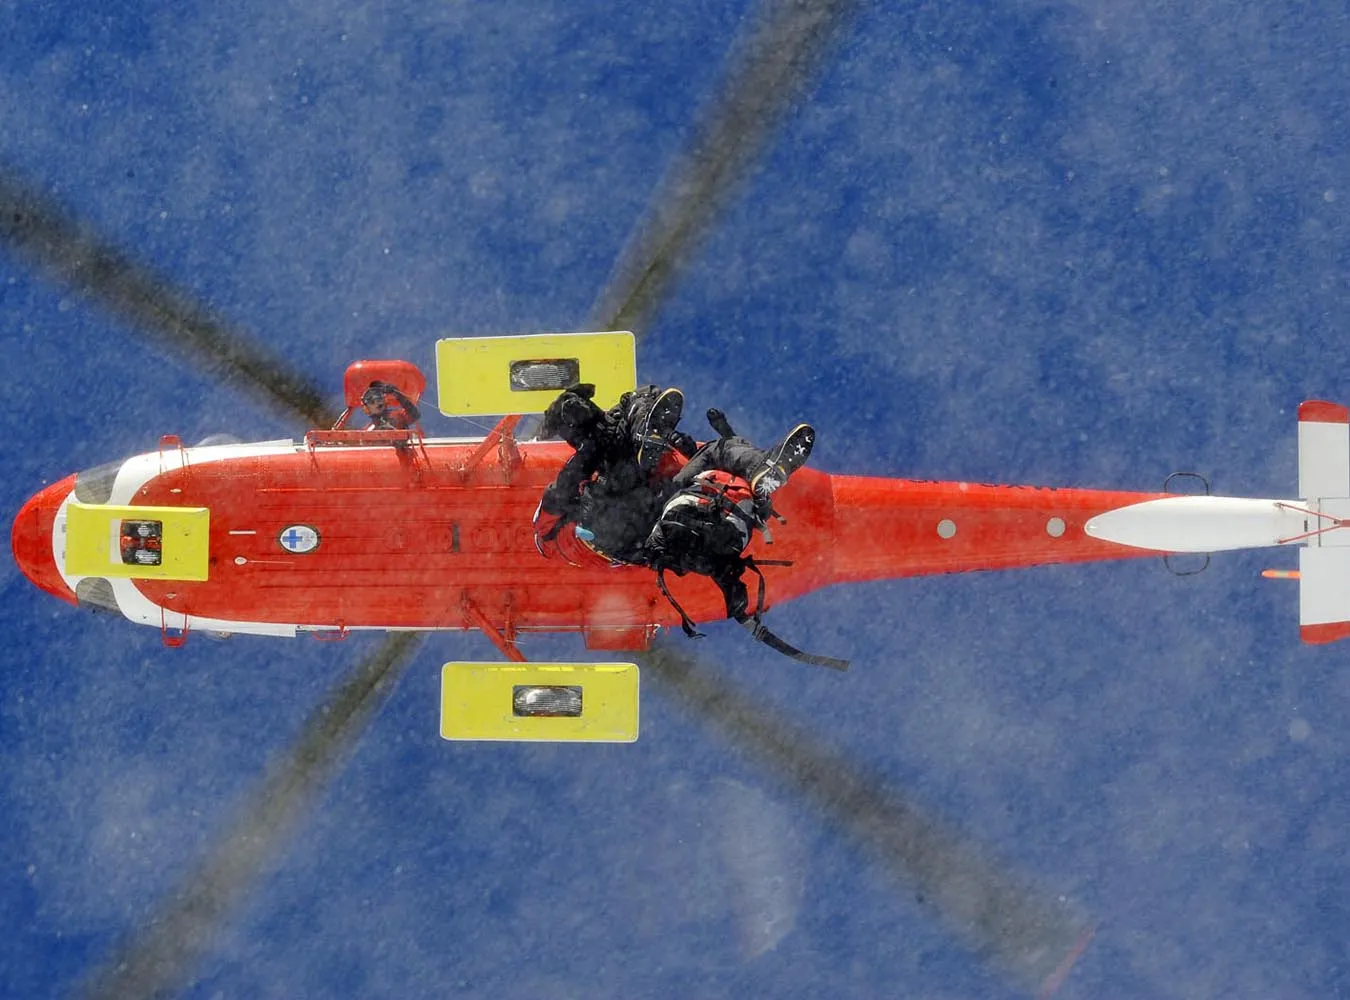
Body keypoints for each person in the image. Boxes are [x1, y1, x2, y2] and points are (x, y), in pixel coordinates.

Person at [533, 382, 697, 565]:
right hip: (621, 520)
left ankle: (646, 432)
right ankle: (645, 431)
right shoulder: (555, 532)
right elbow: (565, 487)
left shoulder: (557, 539)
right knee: (635, 403)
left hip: (637, 528)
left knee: (624, 427)